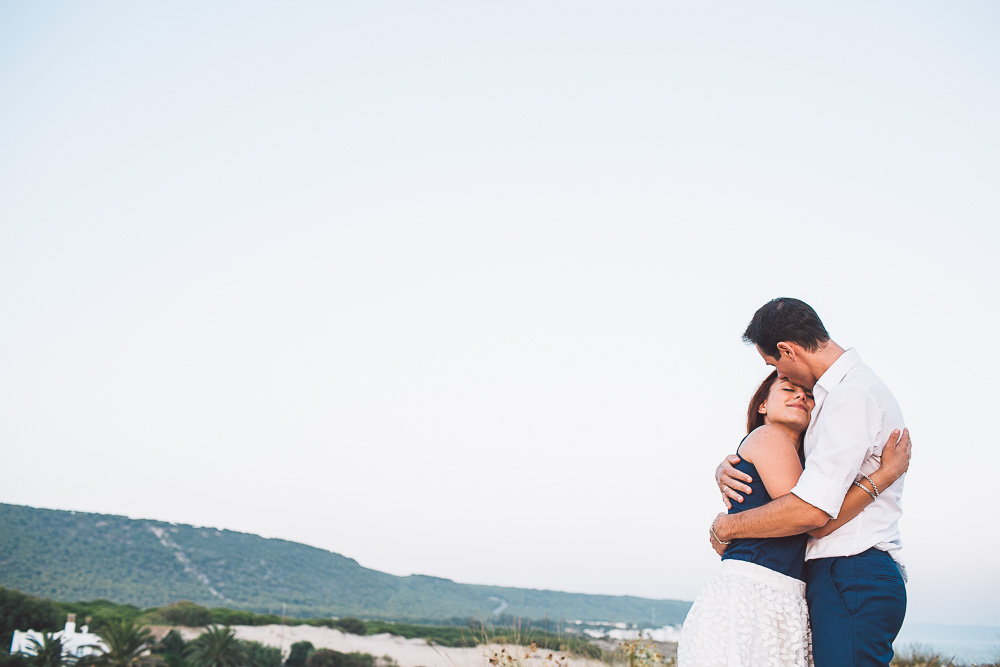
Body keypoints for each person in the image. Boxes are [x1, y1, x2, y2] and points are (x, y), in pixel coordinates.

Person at [712, 298, 909, 667]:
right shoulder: (835, 397)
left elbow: (810, 512)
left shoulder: (851, 396)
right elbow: (793, 475)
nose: (778, 373)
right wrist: (732, 465)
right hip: (839, 576)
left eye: (774, 363)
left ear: (787, 350)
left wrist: (726, 526)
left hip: (851, 571)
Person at [677, 370, 910, 666]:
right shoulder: (769, 436)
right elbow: (812, 518)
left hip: (783, 597)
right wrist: (884, 476)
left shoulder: (807, 465)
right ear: (763, 405)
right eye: (788, 389)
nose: (801, 395)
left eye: (809, 394)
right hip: (751, 595)